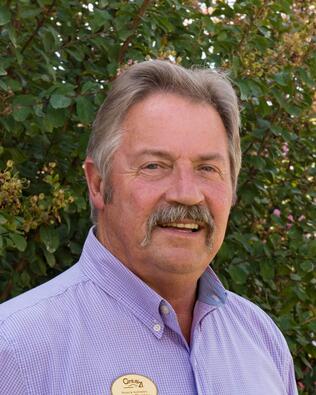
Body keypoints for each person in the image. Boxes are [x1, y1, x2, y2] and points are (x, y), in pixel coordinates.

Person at [0, 60, 297, 395]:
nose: (186, 193)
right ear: (98, 184)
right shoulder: (15, 350)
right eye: (154, 165)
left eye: (208, 168)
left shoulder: (260, 338)